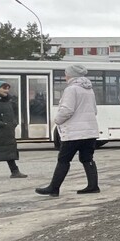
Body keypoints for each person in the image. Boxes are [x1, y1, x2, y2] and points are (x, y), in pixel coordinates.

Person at [35, 64, 101, 197]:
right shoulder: (89, 89)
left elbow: (67, 110)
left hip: (74, 132)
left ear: (71, 75)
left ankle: (54, 188)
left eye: (66, 74)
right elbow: (94, 110)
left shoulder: (71, 89)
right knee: (87, 158)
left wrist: (57, 120)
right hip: (90, 131)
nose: (65, 76)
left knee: (63, 160)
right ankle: (93, 186)